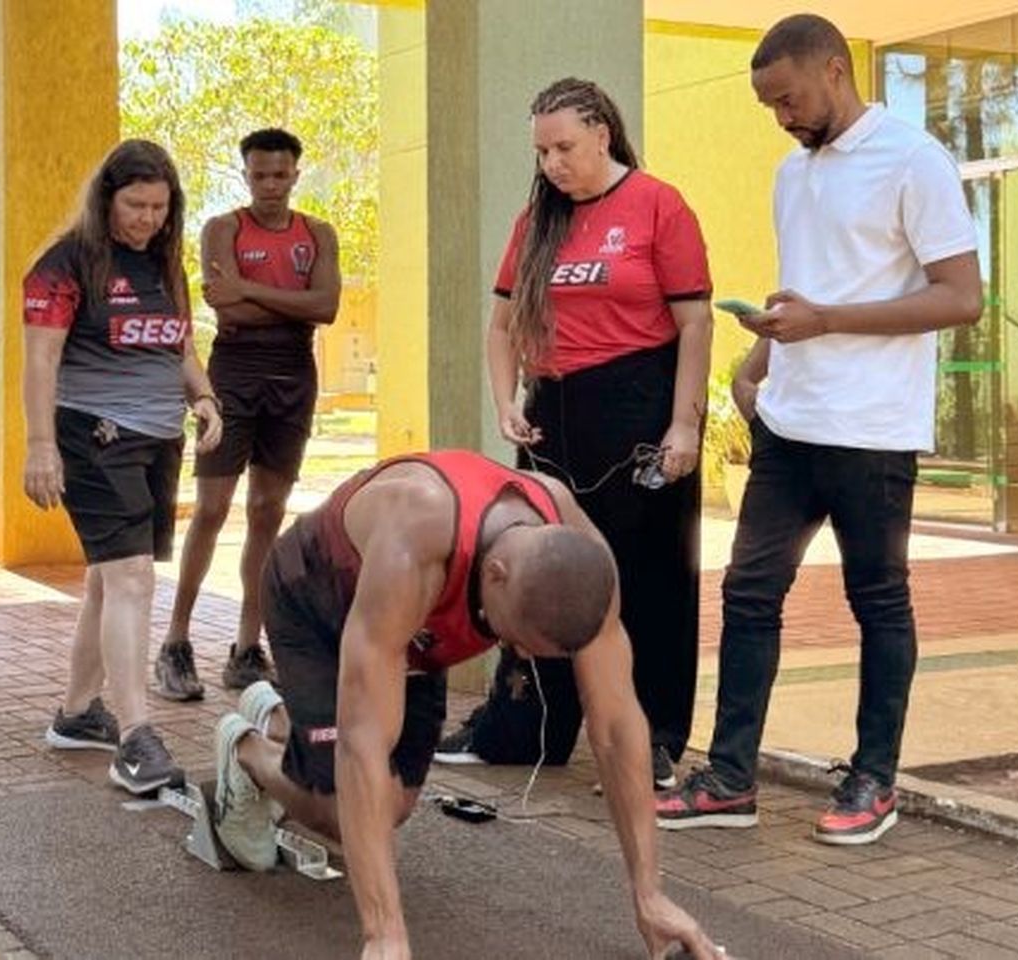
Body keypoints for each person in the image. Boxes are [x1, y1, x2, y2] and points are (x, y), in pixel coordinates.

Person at [657, 14, 981, 845]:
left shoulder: (915, 160)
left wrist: (828, 320)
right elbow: (806, 288)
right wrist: (757, 365)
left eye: (788, 99)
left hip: (873, 431)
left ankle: (875, 778)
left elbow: (960, 296)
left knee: (878, 601)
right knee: (748, 593)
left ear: (834, 71)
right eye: (768, 106)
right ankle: (731, 779)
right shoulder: (789, 174)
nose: (782, 118)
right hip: (788, 425)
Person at [209, 450, 720, 960]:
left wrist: (649, 895)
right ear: (496, 574)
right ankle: (248, 752)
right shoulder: (417, 541)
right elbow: (362, 746)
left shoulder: (583, 557)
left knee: (392, 808)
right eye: (513, 637)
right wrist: (384, 935)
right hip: (315, 600)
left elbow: (614, 728)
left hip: (411, 629)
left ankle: (281, 715)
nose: (516, 653)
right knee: (343, 810)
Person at [438, 77, 712, 789]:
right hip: (552, 409)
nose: (553, 162)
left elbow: (695, 323)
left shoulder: (659, 204)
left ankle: (650, 741)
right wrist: (506, 403)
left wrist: (685, 423)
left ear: (602, 133)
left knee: (647, 578)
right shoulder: (537, 222)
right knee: (537, 570)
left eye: (564, 146)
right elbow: (501, 325)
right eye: (542, 151)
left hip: (639, 407)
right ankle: (527, 729)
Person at [22, 139, 222, 798]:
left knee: (111, 581)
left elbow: (178, 344)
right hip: (93, 434)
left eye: (160, 207)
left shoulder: (163, 263)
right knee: (131, 576)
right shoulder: (65, 263)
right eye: (135, 204)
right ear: (106, 197)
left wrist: (204, 396)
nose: (147, 218)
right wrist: (40, 445)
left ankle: (79, 715)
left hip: (158, 437)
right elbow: (41, 361)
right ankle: (136, 736)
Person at [154, 128, 341, 700]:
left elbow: (327, 306)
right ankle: (176, 643)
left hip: (294, 373)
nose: (270, 186)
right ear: (246, 175)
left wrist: (250, 291)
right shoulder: (224, 228)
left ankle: (245, 647)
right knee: (211, 508)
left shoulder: (318, 234)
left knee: (267, 509)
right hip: (233, 371)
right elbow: (223, 304)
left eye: (280, 175)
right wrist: (285, 301)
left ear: (294, 176)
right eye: (259, 175)